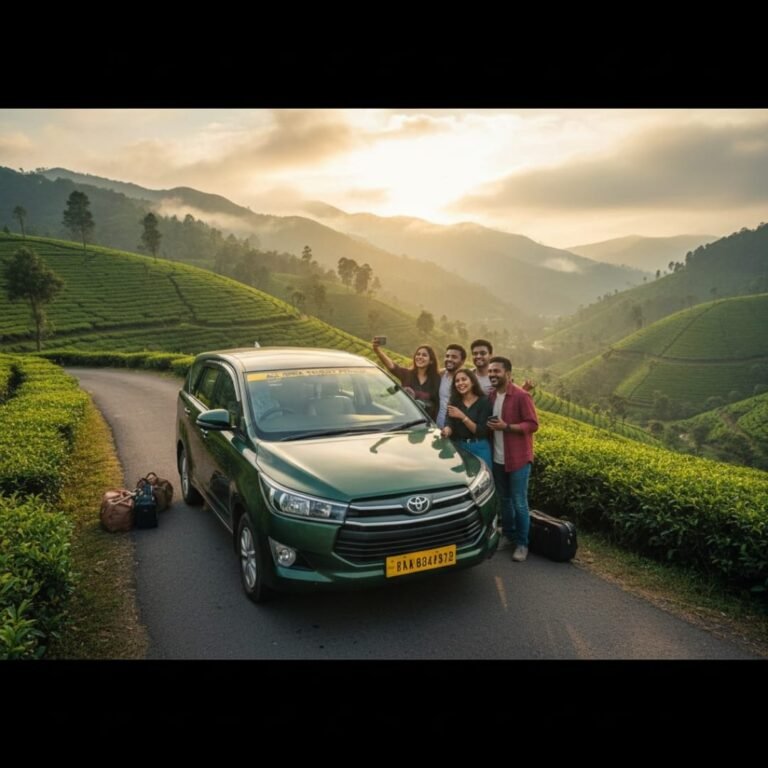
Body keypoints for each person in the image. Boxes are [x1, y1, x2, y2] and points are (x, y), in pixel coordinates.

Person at [487, 355, 539, 562]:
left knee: (519, 502)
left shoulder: (521, 396)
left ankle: (522, 543)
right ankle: (508, 535)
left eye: (496, 371)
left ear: (507, 374)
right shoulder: (491, 396)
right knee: (504, 500)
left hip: (518, 458)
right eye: (490, 371)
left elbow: (533, 424)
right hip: (498, 457)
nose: (492, 374)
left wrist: (506, 427)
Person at [372, 339, 440, 420]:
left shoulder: (435, 380)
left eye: (424, 355)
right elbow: (392, 367)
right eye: (418, 354)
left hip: (425, 423)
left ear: (431, 361)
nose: (420, 357)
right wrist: (377, 350)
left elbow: (437, 404)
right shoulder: (407, 374)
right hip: (406, 421)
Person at [440, 368, 492, 466]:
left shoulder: (484, 402)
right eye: (457, 381)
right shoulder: (454, 402)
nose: (460, 383)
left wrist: (463, 417)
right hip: (459, 447)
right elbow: (449, 423)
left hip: (479, 447)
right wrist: (446, 430)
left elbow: (481, 432)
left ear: (472, 382)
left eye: (464, 379)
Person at [436, 344, 467, 428]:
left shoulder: (466, 381)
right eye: (447, 356)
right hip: (438, 426)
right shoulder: (441, 375)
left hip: (456, 429)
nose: (449, 359)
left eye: (454, 357)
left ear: (462, 361)